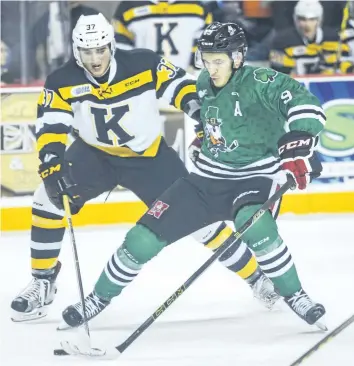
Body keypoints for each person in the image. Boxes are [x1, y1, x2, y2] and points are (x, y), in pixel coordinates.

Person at [60, 22, 327, 333]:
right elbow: (216, 122)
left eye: (218, 61)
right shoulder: (202, 82)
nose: (210, 68)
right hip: (205, 181)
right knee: (141, 239)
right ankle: (97, 299)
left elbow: (304, 104)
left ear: (238, 57)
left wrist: (301, 141)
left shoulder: (261, 80)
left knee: (253, 224)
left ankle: (295, 294)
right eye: (206, 59)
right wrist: (207, 139)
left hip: (255, 178)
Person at [10, 14, 279, 323]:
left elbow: (181, 88)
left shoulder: (142, 63)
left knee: (201, 222)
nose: (95, 58)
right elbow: (51, 127)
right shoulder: (61, 81)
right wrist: (51, 166)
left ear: (111, 44)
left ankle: (256, 277)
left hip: (149, 158)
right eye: (87, 51)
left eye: (100, 49)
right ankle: (43, 282)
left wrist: (203, 118)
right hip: (94, 155)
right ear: (76, 51)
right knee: (46, 197)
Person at [112, 0, 213, 72]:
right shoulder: (129, 7)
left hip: (186, 83)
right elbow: (122, 56)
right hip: (144, 86)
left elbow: (204, 52)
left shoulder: (198, 8)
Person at [269, 0, 354, 75]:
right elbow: (280, 80)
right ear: (295, 19)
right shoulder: (283, 43)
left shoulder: (336, 40)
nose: (307, 25)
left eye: (312, 19)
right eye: (302, 19)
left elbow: (347, 72)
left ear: (319, 20)